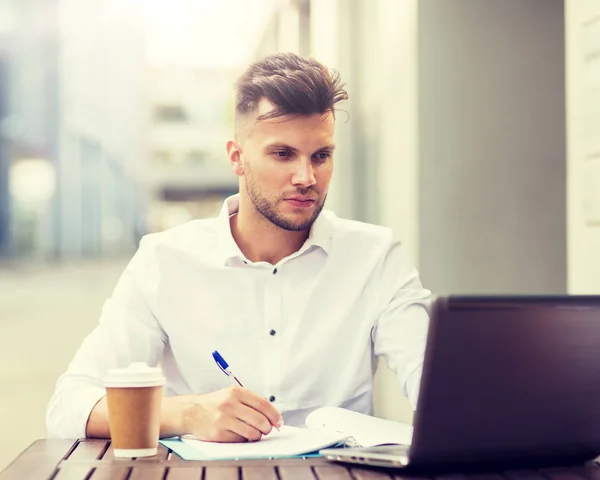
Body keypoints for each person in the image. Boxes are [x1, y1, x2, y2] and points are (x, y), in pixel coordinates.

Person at [46, 52, 430, 442]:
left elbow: (438, 386)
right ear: (237, 158)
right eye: (283, 154)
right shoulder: (164, 260)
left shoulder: (376, 256)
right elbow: (69, 406)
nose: (306, 177)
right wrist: (189, 413)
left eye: (321, 156)